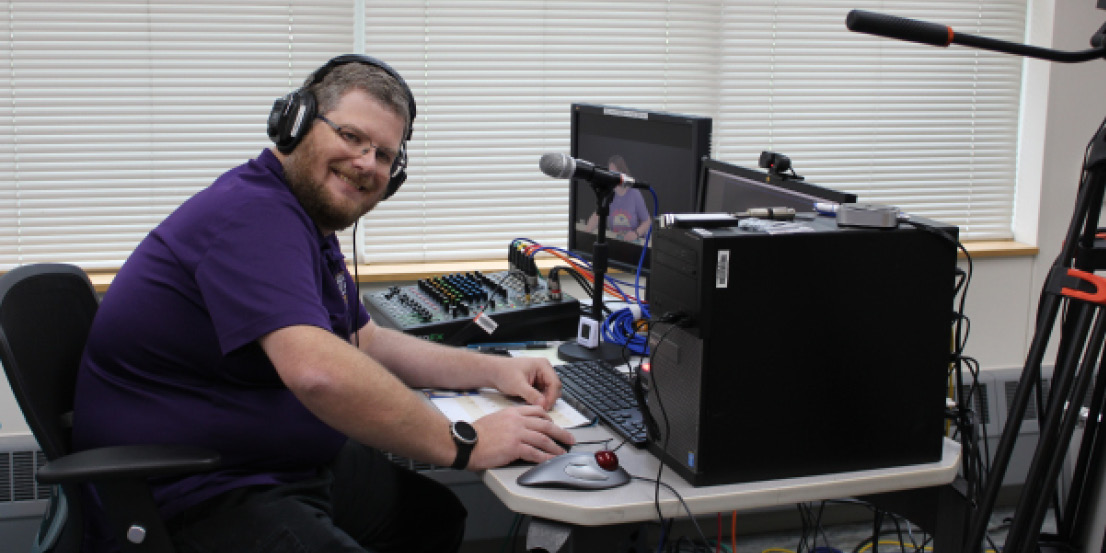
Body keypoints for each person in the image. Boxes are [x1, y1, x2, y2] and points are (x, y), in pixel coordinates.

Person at [71, 54, 575, 553]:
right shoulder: (253, 215)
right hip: (198, 490)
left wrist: (491, 371)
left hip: (267, 465)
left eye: (383, 155)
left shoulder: (306, 219)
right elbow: (319, 372)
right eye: (351, 137)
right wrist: (466, 443)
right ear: (296, 125)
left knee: (432, 519)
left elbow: (367, 342)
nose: (365, 164)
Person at [583, 154, 651, 243]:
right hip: (616, 242)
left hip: (634, 243)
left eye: (614, 173)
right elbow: (597, 215)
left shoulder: (634, 194)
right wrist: (586, 232)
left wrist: (635, 234)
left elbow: (647, 221)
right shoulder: (609, 192)